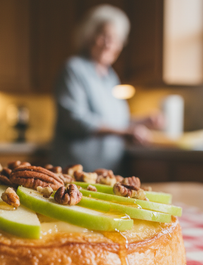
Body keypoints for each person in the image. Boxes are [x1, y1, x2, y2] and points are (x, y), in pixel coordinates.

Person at [51, 5, 163, 172]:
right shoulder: (73, 69)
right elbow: (75, 119)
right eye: (104, 36)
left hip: (107, 169)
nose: (109, 44)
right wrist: (127, 131)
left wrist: (143, 121)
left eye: (116, 39)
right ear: (89, 36)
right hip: (76, 169)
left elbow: (115, 122)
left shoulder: (111, 77)